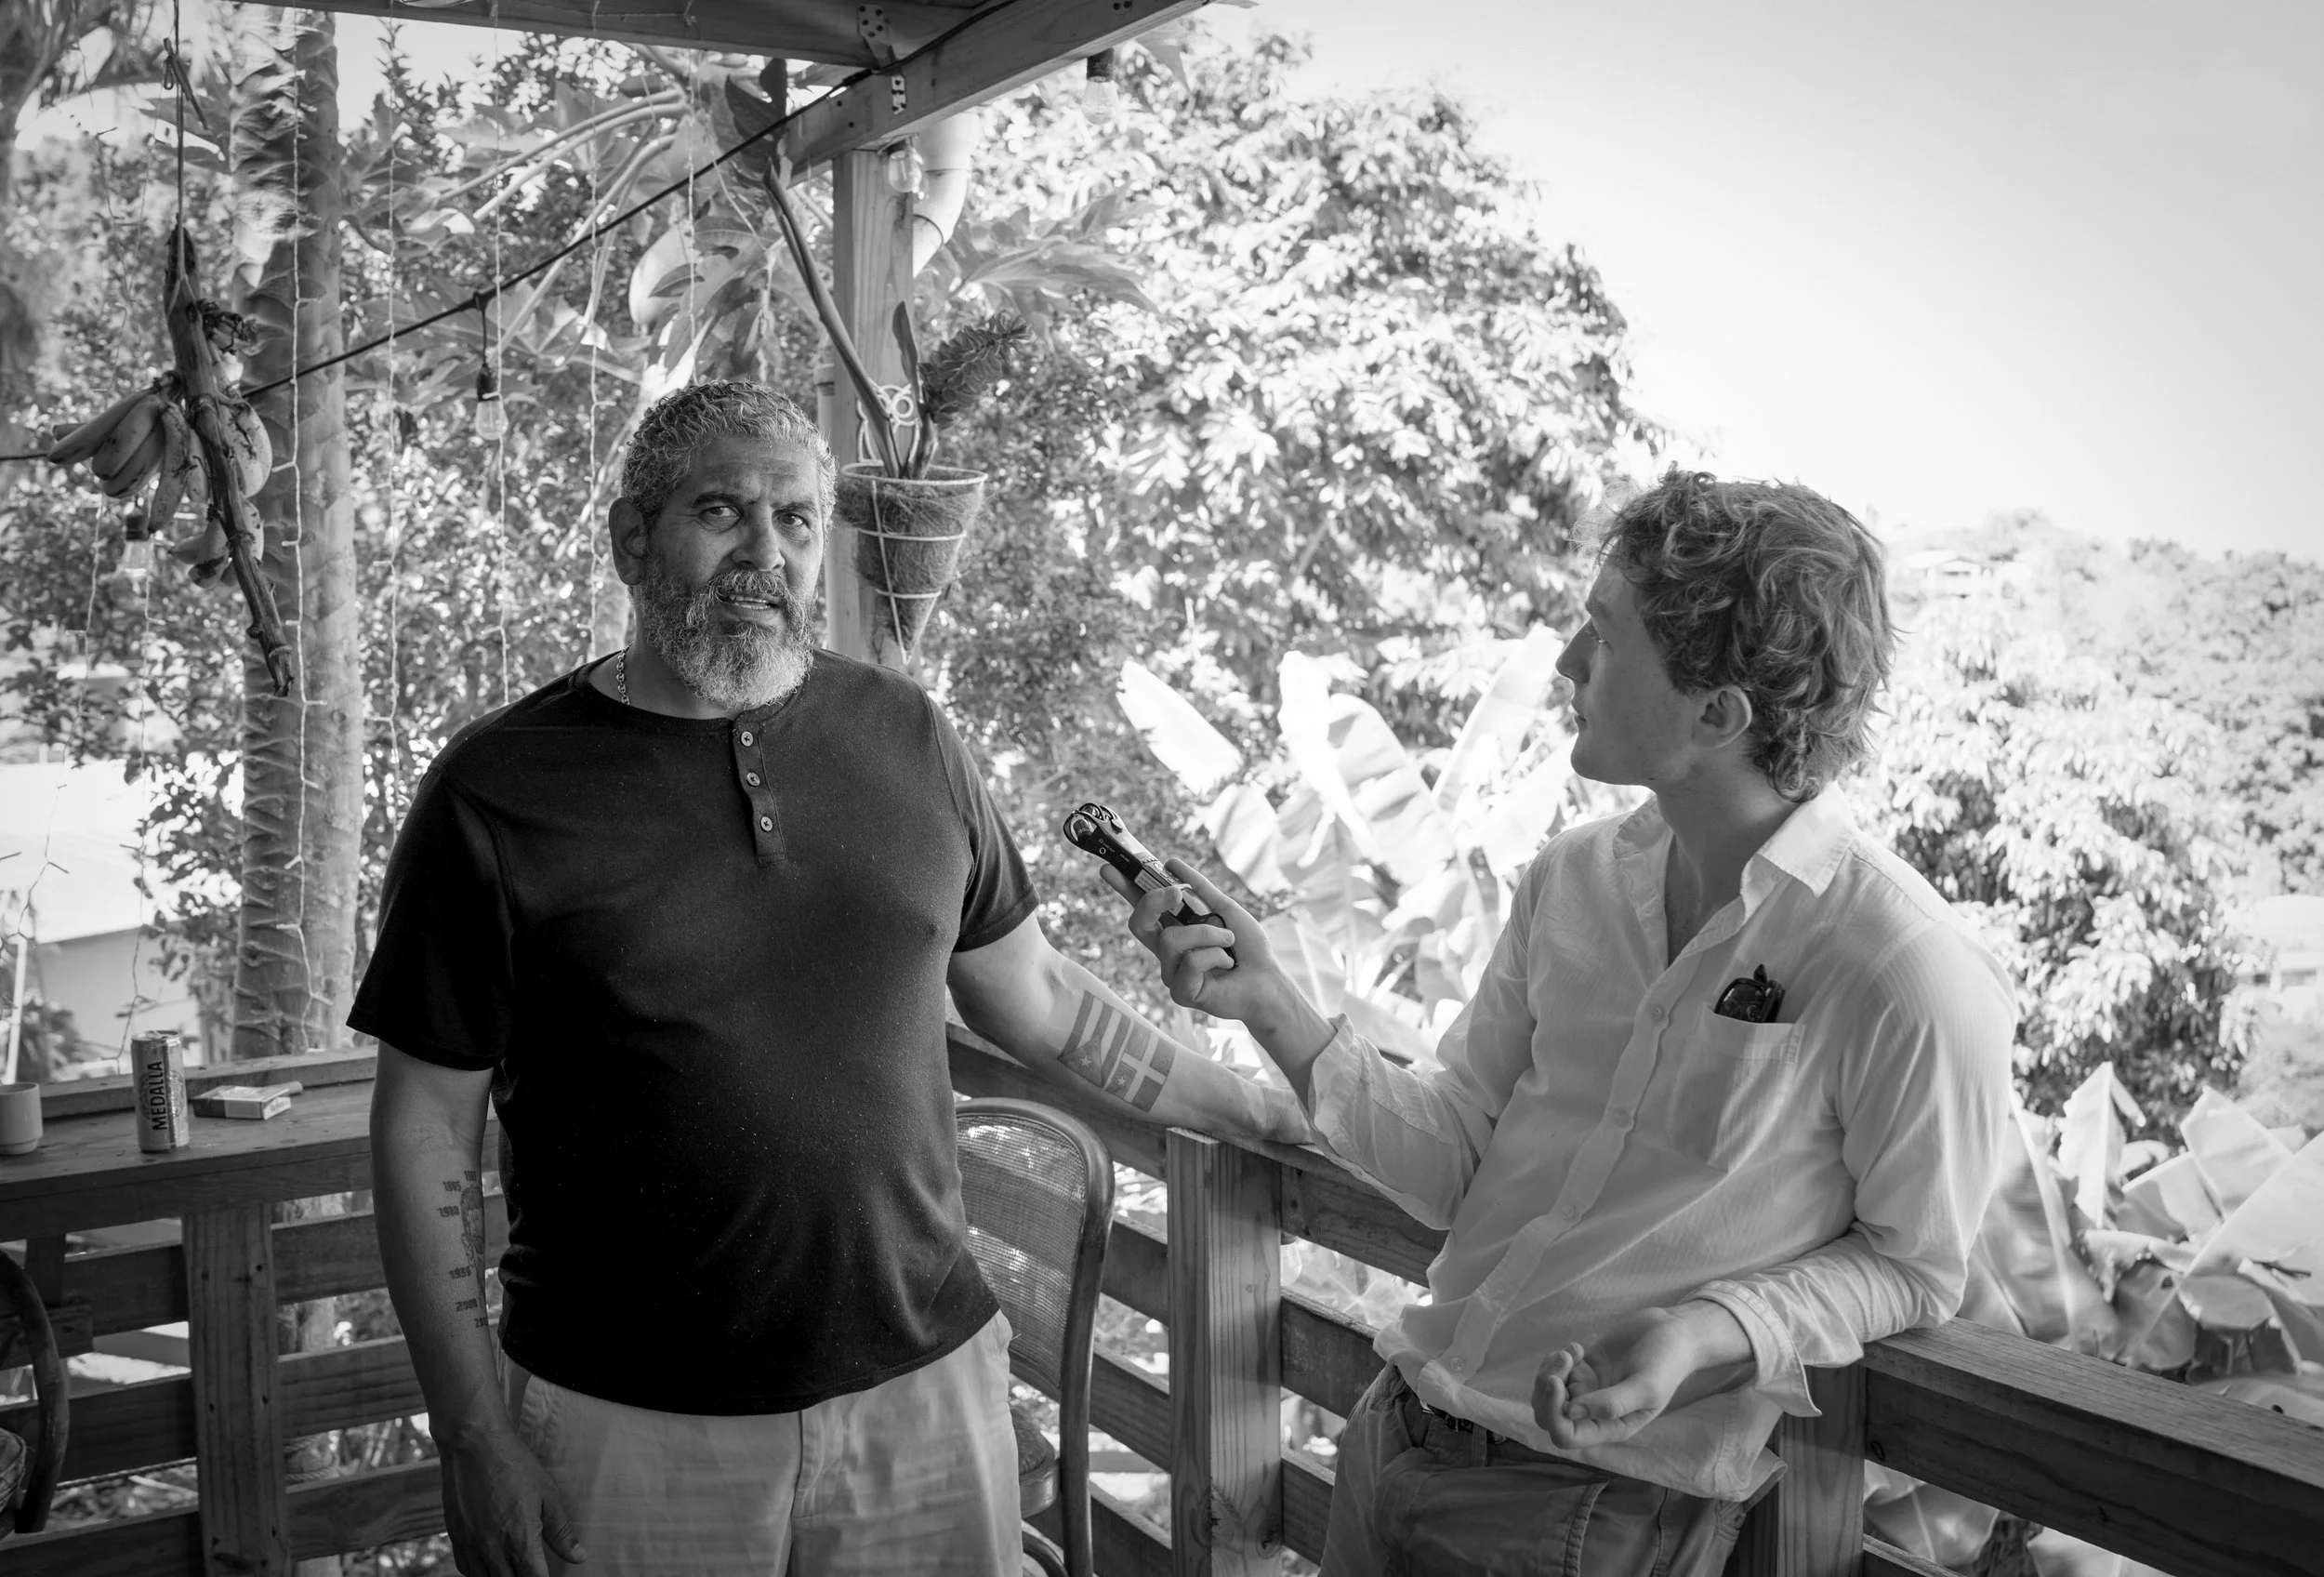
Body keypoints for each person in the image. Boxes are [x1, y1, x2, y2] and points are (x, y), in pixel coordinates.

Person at [359, 380, 1311, 1577]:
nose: (766, 553)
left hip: (925, 1403)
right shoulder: (496, 791)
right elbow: (425, 1129)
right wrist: (470, 1434)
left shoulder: (909, 736)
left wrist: (1263, 1110)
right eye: (722, 511)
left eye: (797, 519)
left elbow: (1039, 997)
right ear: (630, 539)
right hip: (628, 1423)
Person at [1110, 470, 2016, 1576]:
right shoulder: (1572, 877)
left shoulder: (1902, 968)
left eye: (1604, 636)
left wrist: (1712, 1330)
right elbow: (1455, 1157)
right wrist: (1267, 1001)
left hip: (1590, 1513)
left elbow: (1913, 1266)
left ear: (1717, 713)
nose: (1568, 662)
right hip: (1396, 1430)